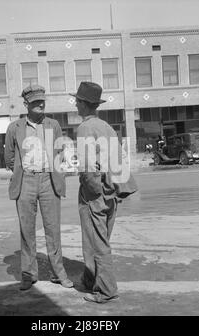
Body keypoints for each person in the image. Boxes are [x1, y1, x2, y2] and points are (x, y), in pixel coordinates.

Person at [71, 81, 137, 304]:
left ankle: (106, 290)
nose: (76, 104)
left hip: (96, 194)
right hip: (111, 192)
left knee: (98, 244)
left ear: (82, 104)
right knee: (98, 240)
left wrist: (93, 193)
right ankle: (90, 280)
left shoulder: (85, 128)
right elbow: (120, 162)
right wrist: (114, 191)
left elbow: (88, 169)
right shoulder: (106, 126)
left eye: (77, 101)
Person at [4, 84, 73, 291]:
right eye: (35, 102)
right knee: (27, 230)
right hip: (25, 181)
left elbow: (60, 150)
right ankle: (28, 274)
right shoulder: (14, 128)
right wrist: (23, 169)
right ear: (26, 104)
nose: (41, 104)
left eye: (42, 100)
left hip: (49, 181)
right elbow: (8, 157)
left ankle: (58, 273)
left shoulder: (54, 124)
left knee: (53, 229)